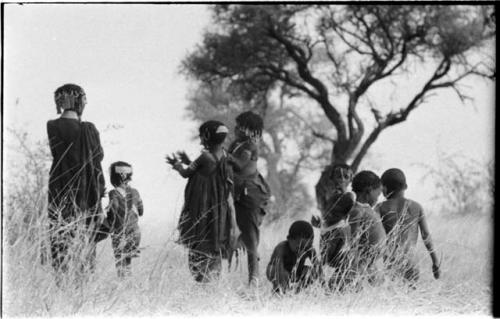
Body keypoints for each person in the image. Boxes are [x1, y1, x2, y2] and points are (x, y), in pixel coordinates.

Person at [166, 120, 239, 283]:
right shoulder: (227, 156)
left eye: (202, 136)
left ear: (207, 137)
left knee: (199, 245)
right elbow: (212, 172)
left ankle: (202, 282)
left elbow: (187, 173)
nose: (200, 140)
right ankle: (212, 284)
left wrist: (177, 165)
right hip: (220, 211)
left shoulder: (205, 156)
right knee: (215, 246)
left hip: (202, 210)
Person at [47, 83, 105, 280]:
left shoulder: (52, 126)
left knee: (60, 232)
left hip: (58, 185)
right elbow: (98, 157)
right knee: (85, 236)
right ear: (78, 100)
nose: (86, 102)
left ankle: (61, 280)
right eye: (84, 98)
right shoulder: (88, 129)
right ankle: (82, 283)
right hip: (85, 189)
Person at [227, 111, 271, 285]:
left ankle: (254, 278)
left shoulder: (250, 146)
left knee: (250, 237)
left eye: (241, 126)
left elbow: (238, 165)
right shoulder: (236, 144)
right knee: (238, 234)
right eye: (237, 125)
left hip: (249, 195)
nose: (237, 128)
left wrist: (220, 153)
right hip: (237, 194)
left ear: (252, 130)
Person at [376, 168, 441, 284]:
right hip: (412, 262)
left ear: (384, 188)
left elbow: (375, 236)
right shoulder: (416, 207)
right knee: (409, 298)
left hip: (391, 263)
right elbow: (426, 236)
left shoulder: (380, 208)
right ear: (405, 186)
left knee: (392, 297)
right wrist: (435, 261)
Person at [311, 164, 355, 272]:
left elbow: (349, 220)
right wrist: (319, 224)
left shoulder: (349, 197)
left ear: (350, 180)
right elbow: (327, 219)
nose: (342, 180)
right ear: (332, 179)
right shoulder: (327, 197)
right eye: (339, 176)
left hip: (342, 238)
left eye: (346, 176)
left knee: (339, 265)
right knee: (327, 263)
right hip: (327, 235)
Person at [346, 170, 386, 283]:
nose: (378, 198)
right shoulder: (357, 211)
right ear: (368, 191)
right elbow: (352, 242)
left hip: (372, 265)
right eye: (377, 194)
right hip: (362, 267)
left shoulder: (365, 210)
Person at [105, 161, 143, 277]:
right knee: (127, 261)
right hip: (135, 233)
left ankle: (123, 285)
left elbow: (114, 209)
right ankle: (128, 283)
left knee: (120, 261)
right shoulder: (135, 192)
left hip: (121, 233)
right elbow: (141, 211)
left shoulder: (113, 193)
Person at [266, 220, 323, 294]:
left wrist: (324, 285)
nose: (300, 250)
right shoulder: (281, 248)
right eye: (298, 246)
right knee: (277, 270)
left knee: (312, 271)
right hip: (279, 272)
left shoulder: (310, 249)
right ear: (289, 239)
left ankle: (297, 291)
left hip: (296, 273)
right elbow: (278, 268)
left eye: (304, 247)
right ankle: (277, 290)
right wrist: (283, 288)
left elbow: (318, 268)